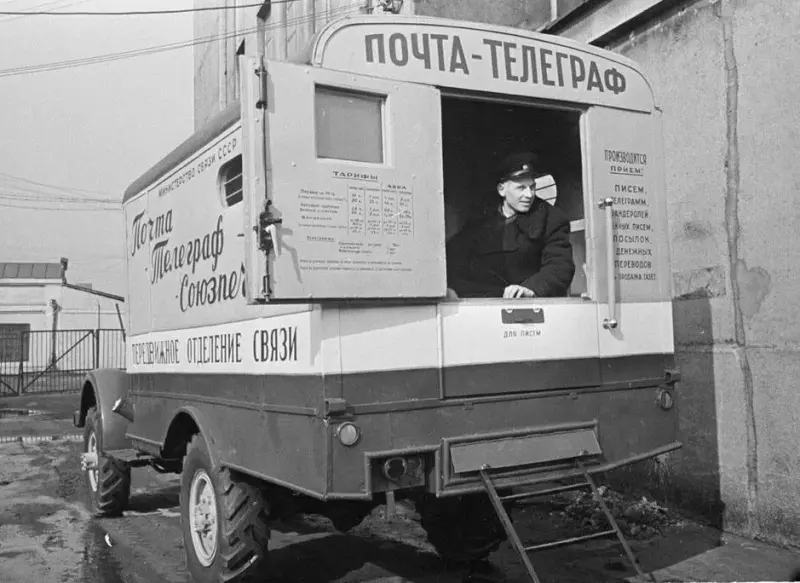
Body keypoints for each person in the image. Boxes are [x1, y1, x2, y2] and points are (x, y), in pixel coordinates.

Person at [446, 152, 575, 299]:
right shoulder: (479, 221)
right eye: (521, 188)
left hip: (529, 308)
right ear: (502, 190)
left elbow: (560, 266)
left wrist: (531, 289)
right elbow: (454, 260)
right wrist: (453, 289)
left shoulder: (551, 219)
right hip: (481, 304)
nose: (529, 195)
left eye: (532, 187)